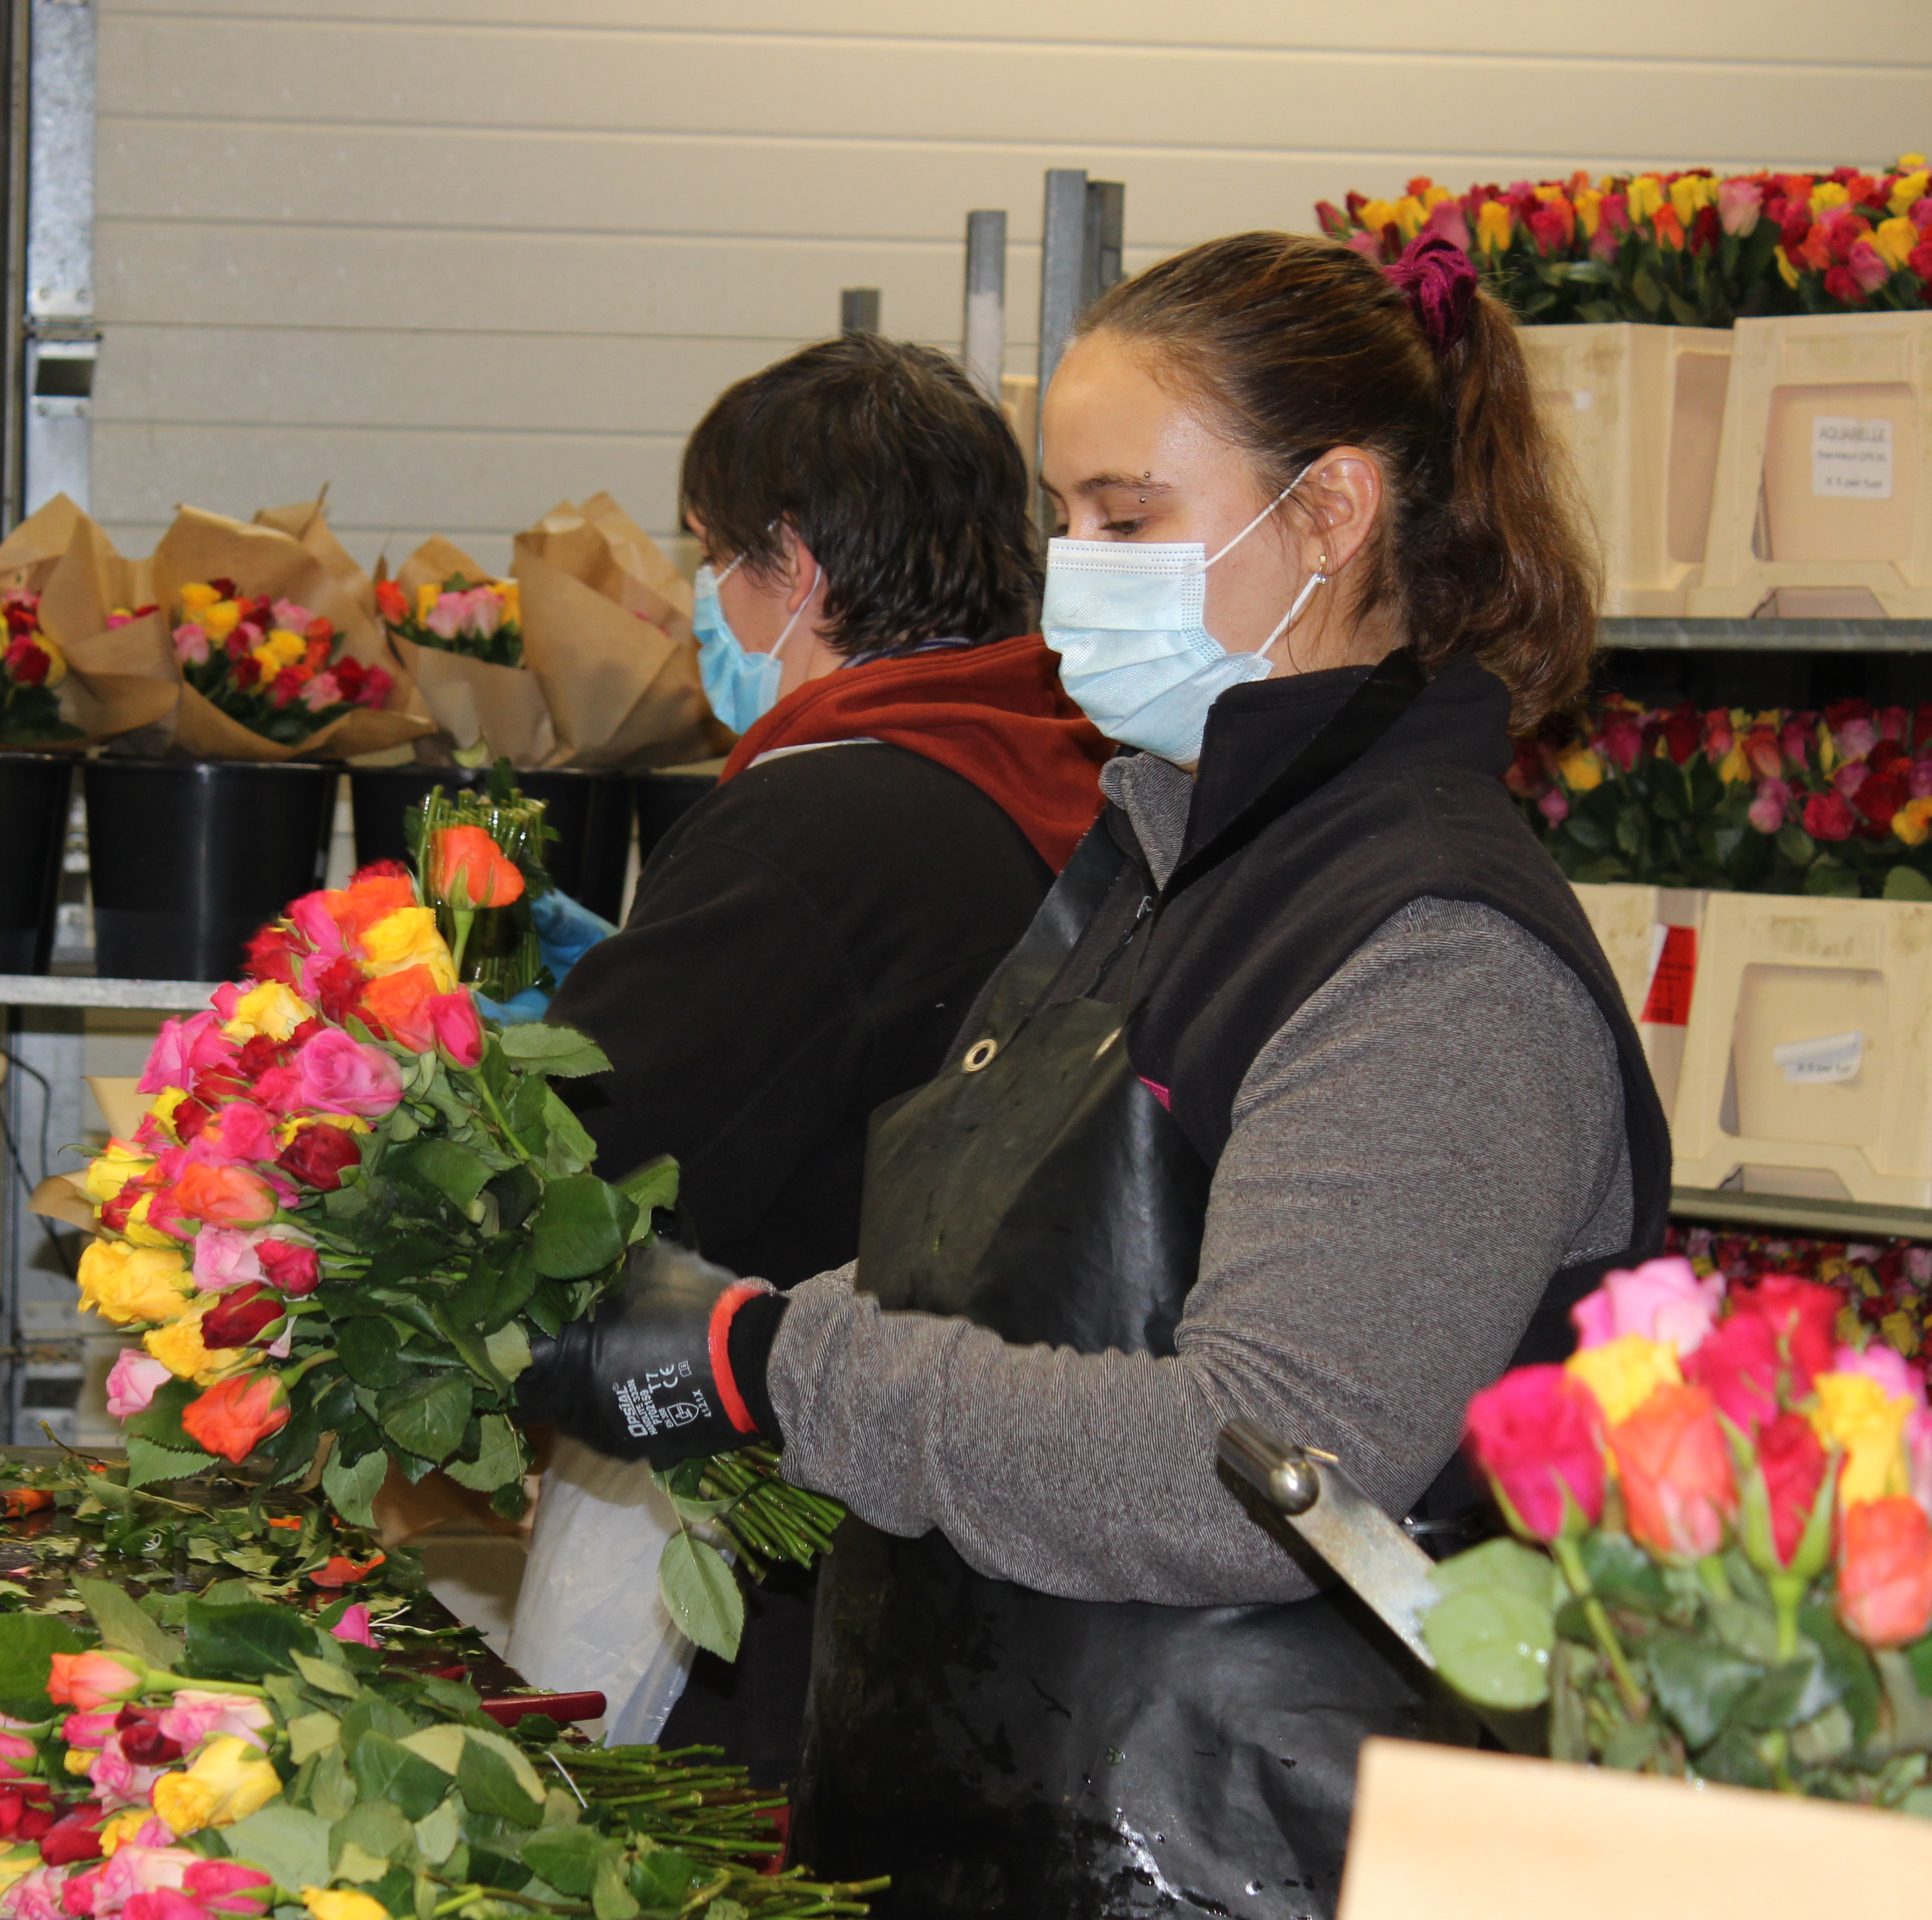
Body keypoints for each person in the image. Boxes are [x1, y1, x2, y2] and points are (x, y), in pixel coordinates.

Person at [519, 229, 1671, 1919]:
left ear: (1336, 513)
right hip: (1026, 1818)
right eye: (1063, 518)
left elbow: (1260, 1472)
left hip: (1251, 1864)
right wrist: (722, 1329)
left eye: (1127, 519)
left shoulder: (1431, 951)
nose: (1076, 572)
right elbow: (1034, 1274)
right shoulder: (1169, 858)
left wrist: (774, 1364)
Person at [515, 332, 1109, 1777]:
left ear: (799, 568)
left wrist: (482, 1086)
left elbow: (575, 1169)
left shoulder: (819, 822)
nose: (699, 603)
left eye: (715, 557)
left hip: (794, 1525)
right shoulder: (1055, 774)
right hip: (986, 1529)